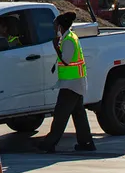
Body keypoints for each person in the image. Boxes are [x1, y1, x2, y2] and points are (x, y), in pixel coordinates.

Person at [37, 11, 96, 152]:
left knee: (60, 115)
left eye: (55, 25)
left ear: (60, 26)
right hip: (74, 83)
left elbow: (66, 60)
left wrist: (55, 47)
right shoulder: (69, 37)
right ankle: (86, 143)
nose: (54, 27)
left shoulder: (69, 40)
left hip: (71, 84)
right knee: (78, 114)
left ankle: (49, 144)